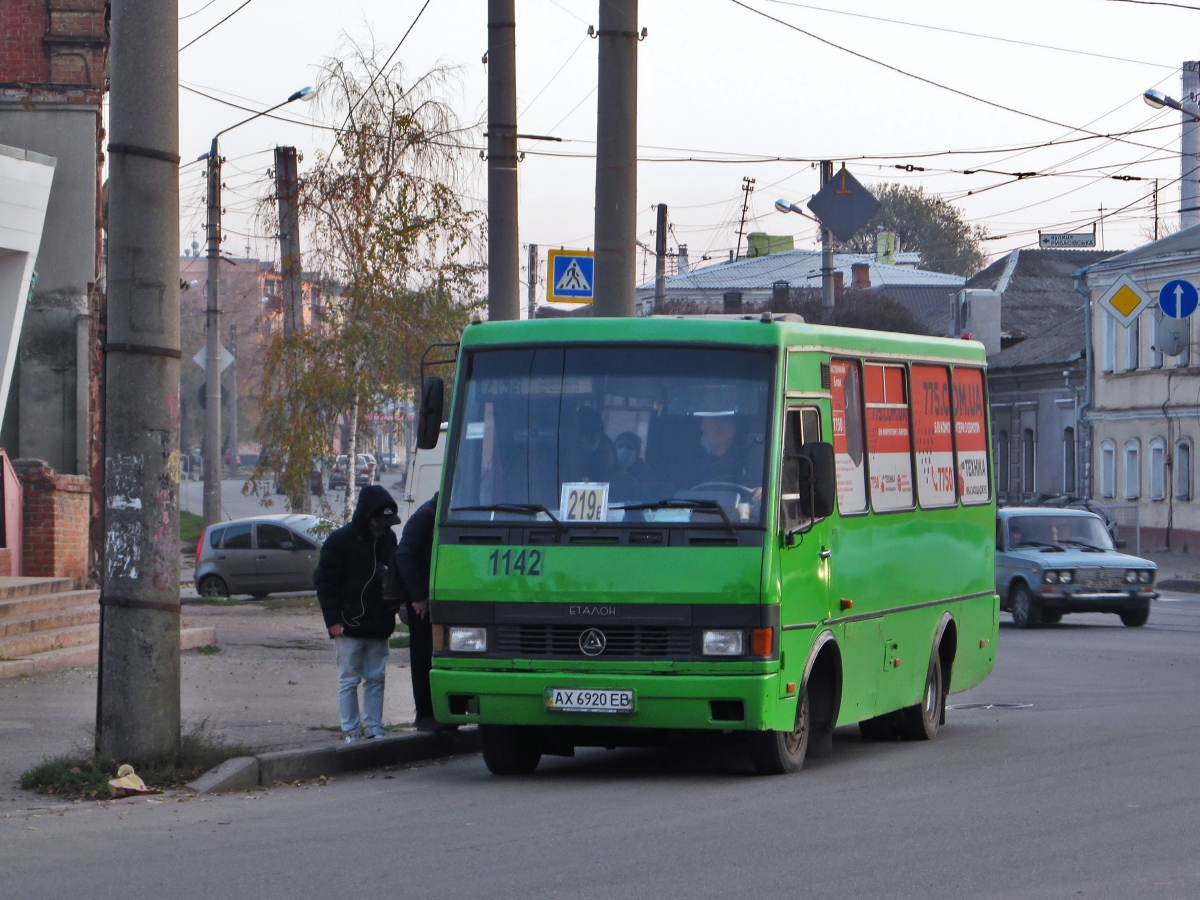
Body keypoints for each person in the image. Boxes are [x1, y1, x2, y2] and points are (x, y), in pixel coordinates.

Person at [314, 484, 401, 743]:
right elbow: (326, 582)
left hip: (379, 622)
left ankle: (375, 727)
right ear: (368, 516)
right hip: (348, 623)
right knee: (349, 679)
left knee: (376, 677)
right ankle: (350, 729)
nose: (384, 527)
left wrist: (393, 608)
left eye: (388, 522)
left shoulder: (389, 539)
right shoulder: (340, 541)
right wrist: (333, 619)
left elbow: (394, 576)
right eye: (380, 520)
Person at [395, 491, 456, 733]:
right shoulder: (425, 517)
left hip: (436, 598)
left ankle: (439, 713)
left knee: (438, 657)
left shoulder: (434, 514)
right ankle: (425, 714)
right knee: (423, 658)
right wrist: (419, 596)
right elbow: (404, 555)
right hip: (422, 605)